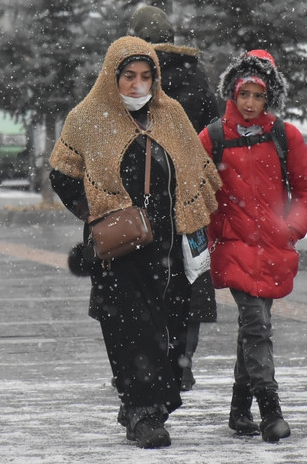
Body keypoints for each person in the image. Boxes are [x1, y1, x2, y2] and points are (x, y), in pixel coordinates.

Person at [49, 36, 222, 449]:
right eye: (129, 76)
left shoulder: (171, 115)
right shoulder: (88, 117)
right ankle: (142, 412)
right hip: (120, 247)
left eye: (146, 76)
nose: (138, 85)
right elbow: (62, 172)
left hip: (170, 243)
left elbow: (197, 170)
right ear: (113, 76)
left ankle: (149, 405)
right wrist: (92, 212)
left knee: (174, 327)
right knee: (130, 328)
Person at [198, 49, 307, 442]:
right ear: (232, 92)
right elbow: (197, 191)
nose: (250, 103)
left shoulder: (285, 136)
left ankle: (238, 409)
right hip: (233, 246)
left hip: (273, 246)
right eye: (244, 94)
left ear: (270, 98)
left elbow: (306, 189)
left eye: (258, 96)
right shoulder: (213, 138)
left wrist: (291, 229)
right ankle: (270, 410)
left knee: (253, 328)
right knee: (257, 324)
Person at [128, 4, 220, 391]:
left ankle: (149, 363)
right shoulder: (197, 77)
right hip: (189, 202)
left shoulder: (133, 80)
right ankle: (183, 360)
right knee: (191, 278)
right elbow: (212, 136)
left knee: (144, 285)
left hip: (145, 203)